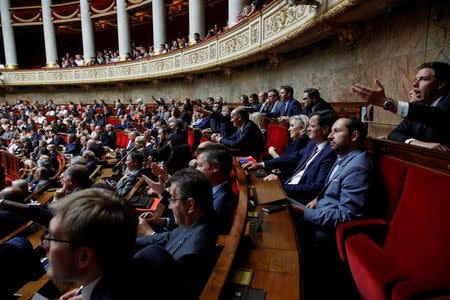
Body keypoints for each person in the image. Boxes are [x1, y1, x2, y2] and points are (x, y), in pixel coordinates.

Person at [290, 116, 372, 299]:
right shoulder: (344, 156)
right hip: (317, 212)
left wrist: (304, 212)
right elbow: (332, 189)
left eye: (337, 131)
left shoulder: (358, 167)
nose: (330, 136)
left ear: (354, 136)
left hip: (326, 233)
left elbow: (347, 216)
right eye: (331, 131)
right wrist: (318, 199)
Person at [136, 169, 218, 299]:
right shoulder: (196, 222)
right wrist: (127, 240)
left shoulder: (190, 256)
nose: (169, 206)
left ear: (190, 205)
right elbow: (169, 236)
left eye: (173, 200)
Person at [45, 188, 140, 300]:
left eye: (54, 239)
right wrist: (88, 294)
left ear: (83, 256)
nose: (45, 245)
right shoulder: (152, 257)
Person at [352, 61, 450, 150]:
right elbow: (394, 135)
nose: (414, 84)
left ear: (440, 84)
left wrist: (386, 102)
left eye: (423, 79)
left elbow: (437, 116)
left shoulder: (445, 104)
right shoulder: (419, 108)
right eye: (415, 79)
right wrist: (418, 143)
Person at [244, 111, 337, 202]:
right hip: (287, 185)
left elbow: (316, 187)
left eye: (312, 126)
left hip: (297, 197)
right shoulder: (312, 144)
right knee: (251, 188)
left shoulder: (329, 153)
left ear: (325, 130)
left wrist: (281, 185)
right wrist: (261, 164)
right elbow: (290, 158)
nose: (308, 129)